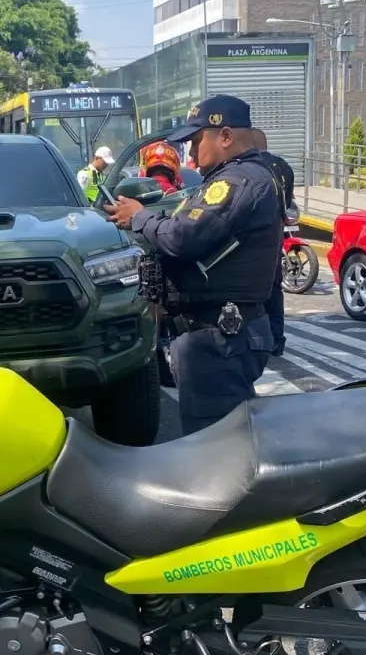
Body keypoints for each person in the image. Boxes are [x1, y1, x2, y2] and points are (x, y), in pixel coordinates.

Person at [104, 95, 282, 435]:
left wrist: (140, 217)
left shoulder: (236, 181)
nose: (191, 154)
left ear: (226, 136)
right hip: (220, 335)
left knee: (215, 449)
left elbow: (183, 237)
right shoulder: (241, 176)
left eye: (196, 141)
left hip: (221, 337)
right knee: (223, 442)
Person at [252, 128, 297, 357]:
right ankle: (277, 340)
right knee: (275, 289)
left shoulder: (249, 168)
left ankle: (259, 341)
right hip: (275, 236)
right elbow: (288, 202)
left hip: (252, 239)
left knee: (253, 293)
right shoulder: (283, 167)